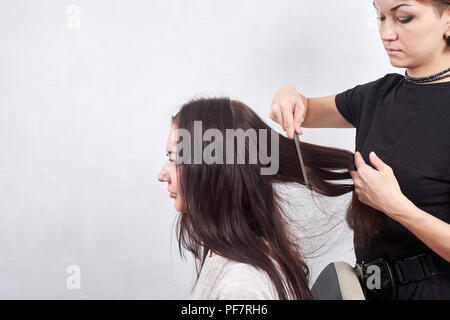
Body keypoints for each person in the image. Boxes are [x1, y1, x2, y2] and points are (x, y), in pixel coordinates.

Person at [269, 0, 450, 299]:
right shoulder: (377, 96)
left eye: (404, 18)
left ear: (447, 19)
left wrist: (397, 207)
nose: (386, 33)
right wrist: (287, 94)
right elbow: (307, 108)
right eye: (380, 17)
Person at [158, 97, 363, 299]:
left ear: (214, 170)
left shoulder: (240, 288)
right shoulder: (231, 253)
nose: (162, 175)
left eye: (175, 159)